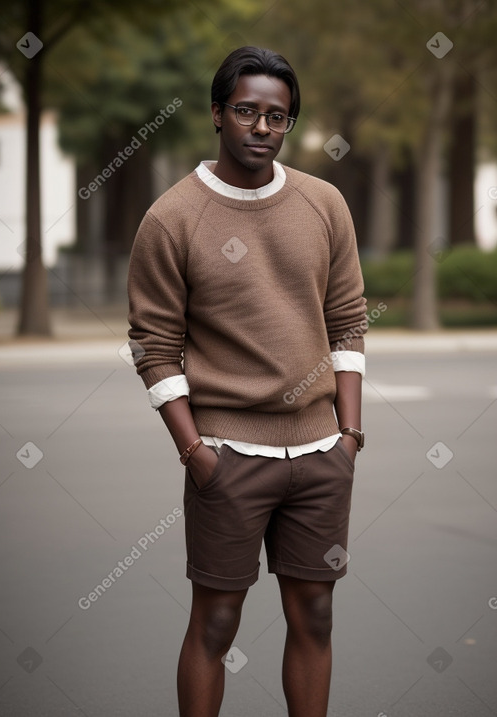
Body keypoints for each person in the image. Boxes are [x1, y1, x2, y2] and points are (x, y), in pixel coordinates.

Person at [127, 45, 367, 717]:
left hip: (322, 454)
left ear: (289, 123)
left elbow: (347, 319)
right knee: (216, 622)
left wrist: (349, 434)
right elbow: (153, 346)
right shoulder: (172, 217)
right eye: (246, 111)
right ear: (216, 114)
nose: (261, 127)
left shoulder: (324, 203)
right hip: (227, 456)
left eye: (277, 116)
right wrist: (196, 453)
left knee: (315, 613)